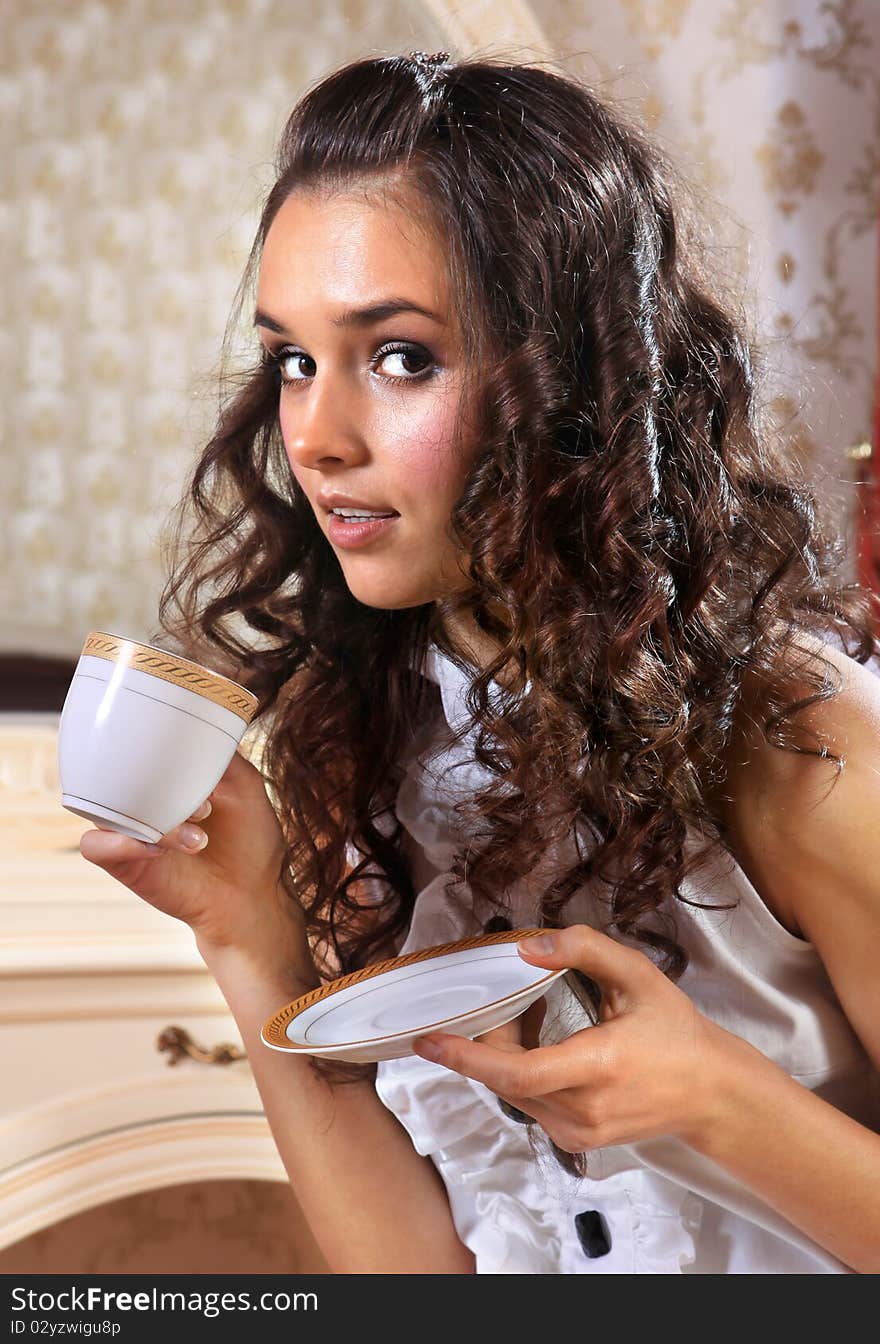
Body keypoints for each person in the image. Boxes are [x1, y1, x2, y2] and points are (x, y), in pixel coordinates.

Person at [78, 51, 880, 1274]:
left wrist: (718, 1101)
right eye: (293, 357)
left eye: (399, 357)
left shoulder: (791, 732)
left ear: (570, 377)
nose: (315, 437)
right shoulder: (359, 729)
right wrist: (247, 943)